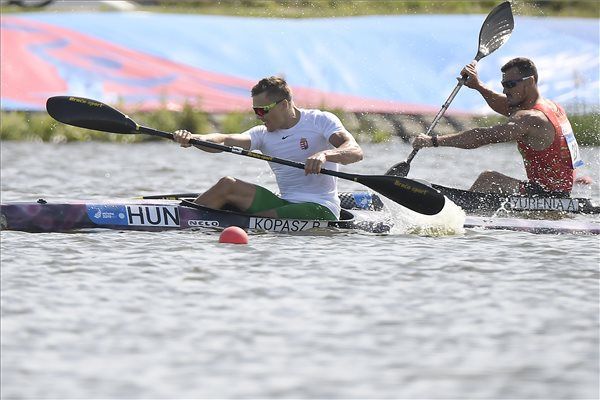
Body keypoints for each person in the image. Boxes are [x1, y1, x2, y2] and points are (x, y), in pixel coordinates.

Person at [172, 76, 363, 220]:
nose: (258, 116)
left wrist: (324, 155)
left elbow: (355, 151)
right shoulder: (262, 134)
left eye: (263, 110)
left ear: (284, 105)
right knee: (227, 184)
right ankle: (181, 220)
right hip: (284, 203)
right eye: (255, 110)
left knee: (263, 219)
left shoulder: (320, 121)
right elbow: (224, 139)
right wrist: (194, 138)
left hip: (321, 207)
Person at [413, 57, 583, 196]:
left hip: (547, 197)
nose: (505, 91)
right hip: (558, 192)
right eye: (503, 85)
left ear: (529, 81)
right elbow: (505, 105)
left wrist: (433, 141)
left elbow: (483, 136)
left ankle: (466, 216)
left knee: (489, 180)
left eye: (510, 85)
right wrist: (478, 86)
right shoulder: (552, 107)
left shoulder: (530, 118)